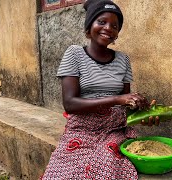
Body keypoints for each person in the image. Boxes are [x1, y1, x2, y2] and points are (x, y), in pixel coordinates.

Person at [41, 0, 159, 179]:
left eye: (114, 25)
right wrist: (116, 100)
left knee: (107, 164)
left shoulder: (123, 60)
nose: (108, 28)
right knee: (62, 173)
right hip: (82, 129)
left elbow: (126, 104)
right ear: (90, 26)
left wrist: (142, 112)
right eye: (102, 22)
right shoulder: (74, 54)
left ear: (117, 33)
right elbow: (70, 103)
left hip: (114, 130)